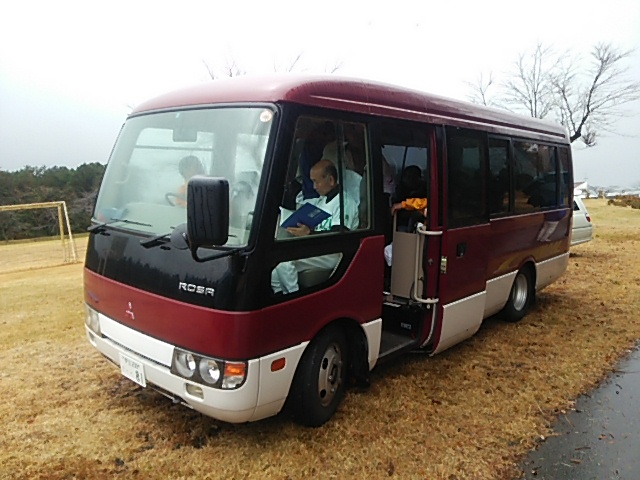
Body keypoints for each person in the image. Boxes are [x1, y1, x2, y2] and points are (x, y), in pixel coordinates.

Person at [272, 159, 358, 294]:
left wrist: (309, 233)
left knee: (284, 262)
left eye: (316, 181)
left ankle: (296, 298)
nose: (314, 187)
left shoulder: (344, 202)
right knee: (273, 272)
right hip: (317, 247)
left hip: (334, 253)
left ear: (331, 180)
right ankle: (281, 297)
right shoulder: (321, 201)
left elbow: (339, 234)